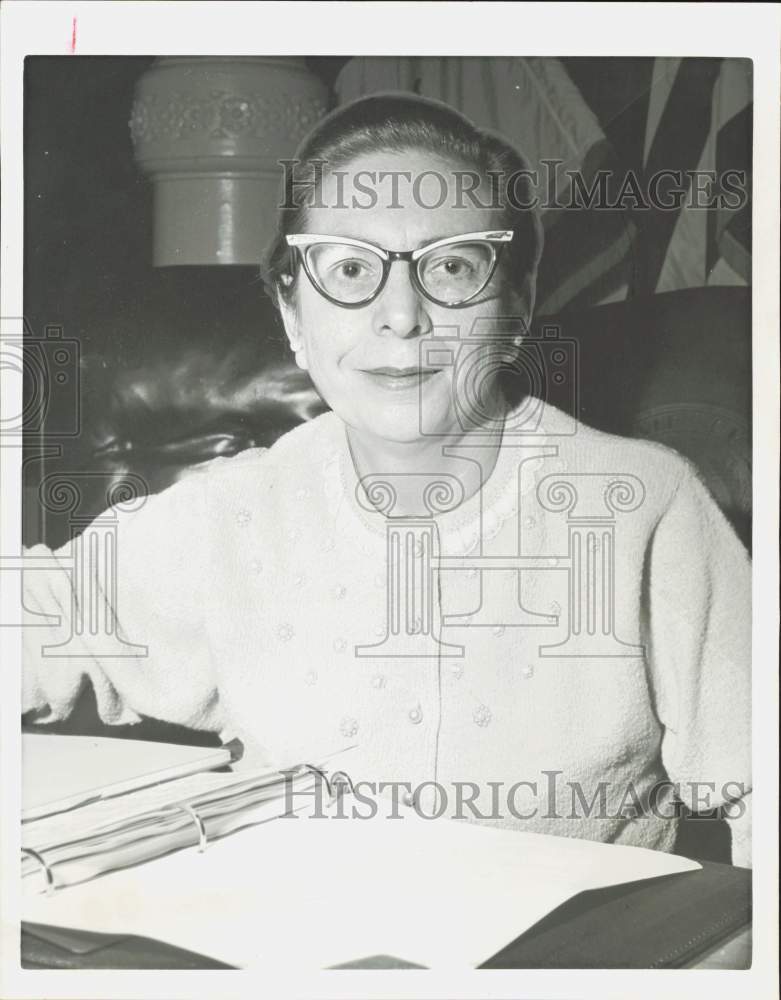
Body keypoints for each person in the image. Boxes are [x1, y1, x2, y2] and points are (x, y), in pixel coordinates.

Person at [22, 95, 751, 865]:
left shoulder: (642, 505)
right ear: (292, 317)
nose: (400, 314)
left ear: (517, 305)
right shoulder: (232, 515)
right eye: (347, 269)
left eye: (453, 267)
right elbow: (35, 618)